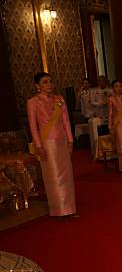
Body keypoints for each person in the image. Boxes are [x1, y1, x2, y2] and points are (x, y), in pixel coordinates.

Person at [27, 72, 77, 218]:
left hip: (61, 140)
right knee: (53, 176)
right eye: (44, 82)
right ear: (37, 86)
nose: (49, 84)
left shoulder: (59, 99)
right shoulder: (33, 102)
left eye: (50, 81)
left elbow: (66, 121)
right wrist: (38, 146)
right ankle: (58, 210)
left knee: (67, 175)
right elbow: (32, 126)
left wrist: (70, 141)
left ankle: (70, 208)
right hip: (47, 143)